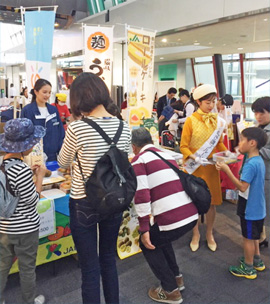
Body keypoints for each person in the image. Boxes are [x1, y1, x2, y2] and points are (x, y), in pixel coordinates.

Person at [57, 72, 131, 304]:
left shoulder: (77, 129)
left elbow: (62, 163)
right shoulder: (124, 127)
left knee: (89, 268)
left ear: (78, 99)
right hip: (114, 200)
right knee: (108, 258)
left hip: (84, 202)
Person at [131, 128, 198, 304]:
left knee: (148, 244)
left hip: (173, 219)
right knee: (161, 238)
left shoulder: (139, 160)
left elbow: (142, 195)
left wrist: (143, 227)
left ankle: (170, 290)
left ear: (134, 147)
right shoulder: (166, 155)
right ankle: (177, 278)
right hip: (190, 214)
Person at [0, 118, 46, 304]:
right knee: (27, 268)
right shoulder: (22, 170)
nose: (33, 145)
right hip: (25, 229)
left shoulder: (2, 165)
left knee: (2, 265)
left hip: (4, 227)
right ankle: (29, 300)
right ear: (22, 146)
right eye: (32, 142)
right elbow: (33, 200)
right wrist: (39, 178)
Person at [180, 84, 227, 252]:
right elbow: (183, 146)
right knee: (194, 202)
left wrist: (226, 154)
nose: (211, 105)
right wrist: (193, 157)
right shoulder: (190, 121)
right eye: (208, 102)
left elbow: (219, 143)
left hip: (211, 168)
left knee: (212, 203)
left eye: (213, 101)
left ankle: (209, 233)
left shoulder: (217, 121)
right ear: (198, 102)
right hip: (194, 168)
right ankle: (195, 234)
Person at [216, 127, 268, 279]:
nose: (239, 144)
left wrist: (226, 170)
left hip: (250, 208)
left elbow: (242, 186)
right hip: (258, 206)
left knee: (247, 238)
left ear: (252, 143)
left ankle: (248, 267)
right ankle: (256, 260)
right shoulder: (258, 160)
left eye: (242, 140)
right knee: (254, 237)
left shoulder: (250, 165)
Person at [21, 79, 65, 162]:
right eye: (44, 92)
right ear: (36, 92)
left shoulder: (53, 110)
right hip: (34, 157)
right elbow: (24, 134)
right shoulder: (27, 110)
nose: (47, 95)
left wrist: (61, 152)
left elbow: (60, 132)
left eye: (49, 92)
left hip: (53, 156)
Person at [251, 96, 270, 248]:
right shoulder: (259, 127)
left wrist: (253, 147)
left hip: (268, 176)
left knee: (264, 207)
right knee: (260, 206)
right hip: (260, 174)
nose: (258, 116)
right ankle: (261, 237)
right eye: (256, 113)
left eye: (261, 113)